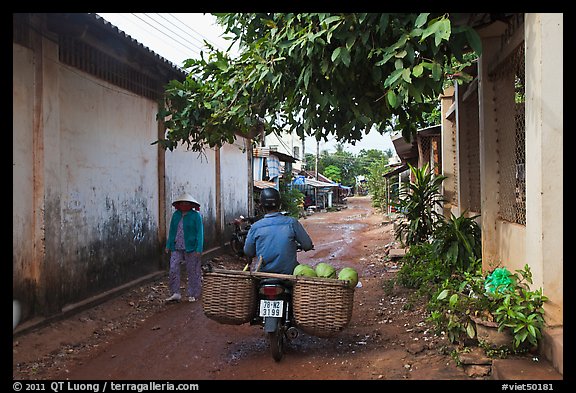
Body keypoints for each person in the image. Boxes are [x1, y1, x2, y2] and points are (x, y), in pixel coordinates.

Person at [243, 187, 314, 275]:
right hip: (288, 274)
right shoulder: (291, 223)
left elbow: (248, 251)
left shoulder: (255, 227)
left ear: (261, 206)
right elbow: (307, 245)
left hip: (263, 274)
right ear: (280, 205)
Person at [165, 193, 204, 303]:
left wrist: (199, 248)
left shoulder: (196, 216)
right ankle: (175, 292)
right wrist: (168, 245)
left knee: (193, 270)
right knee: (173, 268)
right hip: (176, 246)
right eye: (182, 203)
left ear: (191, 205)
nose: (184, 205)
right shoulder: (176, 215)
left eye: (187, 203)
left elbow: (200, 233)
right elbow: (172, 231)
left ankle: (193, 293)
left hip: (191, 247)